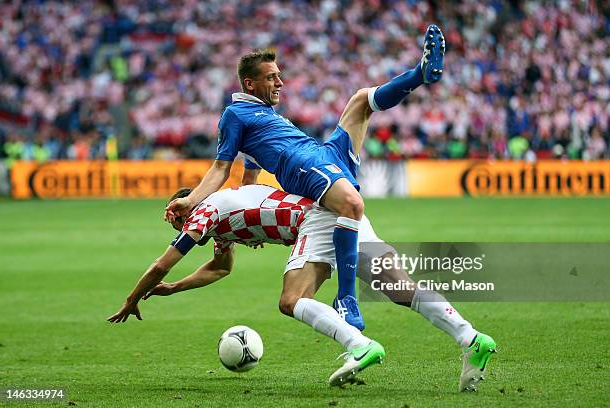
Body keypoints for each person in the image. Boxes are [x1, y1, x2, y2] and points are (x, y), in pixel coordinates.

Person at [163, 25, 446, 331]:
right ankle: (347, 298)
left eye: (279, 75)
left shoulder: (264, 116)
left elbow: (249, 180)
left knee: (362, 100)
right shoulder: (236, 114)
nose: (280, 82)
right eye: (272, 77)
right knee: (351, 206)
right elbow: (220, 168)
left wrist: (251, 216)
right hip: (303, 167)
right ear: (250, 83)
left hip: (324, 155)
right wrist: (191, 200)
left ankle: (421, 72)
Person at [110, 184, 496, 391]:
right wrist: (173, 288)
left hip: (315, 221)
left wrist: (131, 299)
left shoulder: (205, 210)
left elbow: (161, 263)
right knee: (398, 287)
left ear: (189, 202)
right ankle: (470, 337)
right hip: (340, 211)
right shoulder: (220, 218)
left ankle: (359, 345)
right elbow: (221, 267)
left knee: (292, 299)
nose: (177, 221)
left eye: (178, 212)